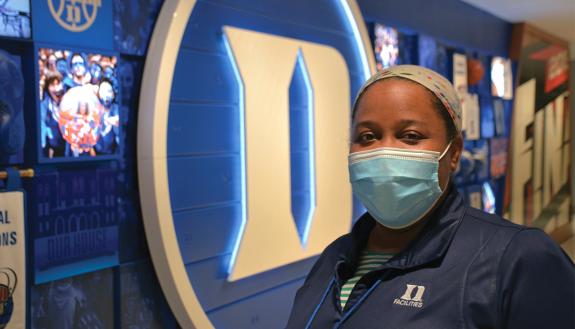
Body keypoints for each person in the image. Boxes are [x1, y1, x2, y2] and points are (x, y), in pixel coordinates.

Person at [286, 65, 574, 329]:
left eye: (410, 135)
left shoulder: (514, 258)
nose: (385, 152)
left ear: (455, 153)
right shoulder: (334, 258)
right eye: (367, 136)